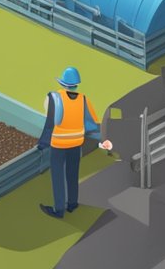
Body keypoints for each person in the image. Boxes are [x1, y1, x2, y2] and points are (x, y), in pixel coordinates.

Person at [37, 66, 112, 218]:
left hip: (58, 145)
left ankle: (59, 210)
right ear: (76, 84)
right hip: (76, 144)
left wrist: (43, 143)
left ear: (62, 83)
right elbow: (91, 123)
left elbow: (50, 123)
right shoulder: (83, 100)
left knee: (58, 177)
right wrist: (101, 140)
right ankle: (72, 203)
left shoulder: (54, 98)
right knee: (72, 174)